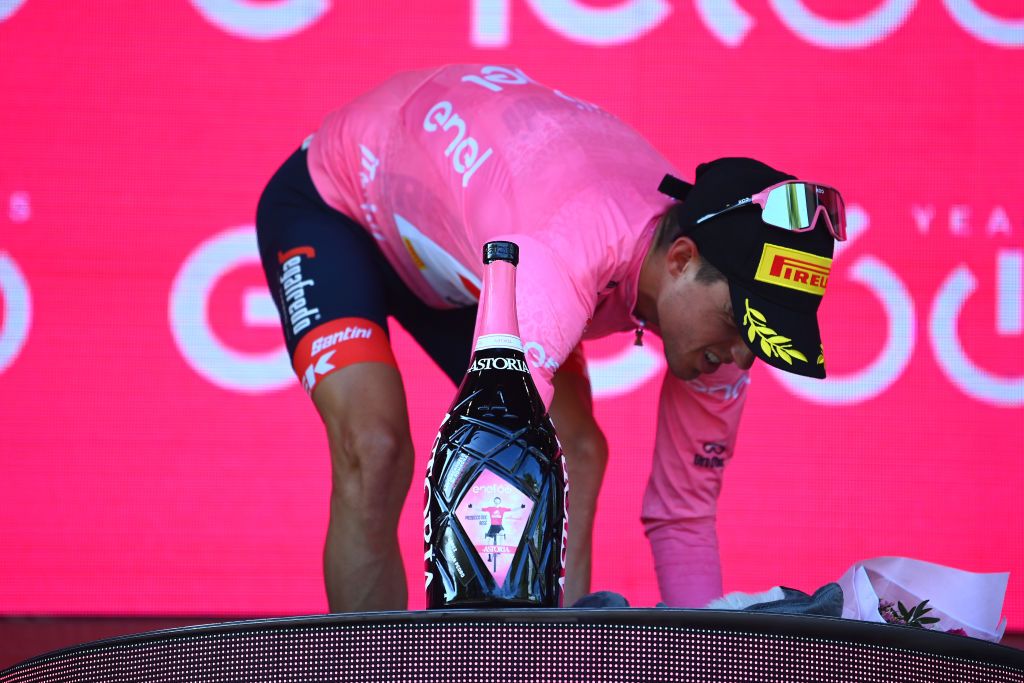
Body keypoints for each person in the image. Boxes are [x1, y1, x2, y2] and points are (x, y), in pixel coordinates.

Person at [255, 64, 846, 612]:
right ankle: (375, 673)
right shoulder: (567, 248)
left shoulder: (711, 307)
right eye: (740, 322)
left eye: (763, 337)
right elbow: (490, 455)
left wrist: (712, 662)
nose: (742, 357)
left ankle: (555, 656)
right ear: (682, 260)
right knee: (377, 449)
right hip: (339, 208)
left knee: (575, 450)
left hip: (464, 248)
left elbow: (685, 517)